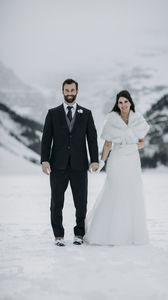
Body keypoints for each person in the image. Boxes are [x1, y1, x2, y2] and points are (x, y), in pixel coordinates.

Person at [84, 90, 150, 245]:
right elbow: (107, 144)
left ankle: (129, 235)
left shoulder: (138, 119)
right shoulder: (112, 120)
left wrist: (133, 147)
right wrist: (101, 162)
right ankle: (105, 234)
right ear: (117, 104)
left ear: (130, 102)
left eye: (126, 102)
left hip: (132, 160)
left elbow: (142, 142)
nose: (123, 105)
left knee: (132, 192)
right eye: (120, 102)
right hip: (117, 159)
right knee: (114, 190)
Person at [41, 78, 99, 246]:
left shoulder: (86, 114)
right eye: (67, 90)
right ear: (62, 91)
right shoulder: (52, 113)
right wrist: (45, 160)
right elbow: (46, 139)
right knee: (56, 202)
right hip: (57, 165)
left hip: (79, 165)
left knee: (81, 202)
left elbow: (92, 139)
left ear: (77, 91)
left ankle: (79, 234)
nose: (70, 93)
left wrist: (94, 160)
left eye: (72, 90)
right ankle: (58, 235)